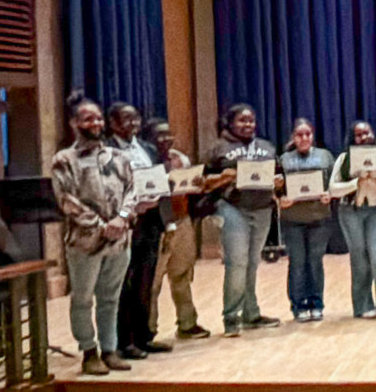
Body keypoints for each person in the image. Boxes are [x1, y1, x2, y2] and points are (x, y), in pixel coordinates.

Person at [54, 92, 138, 375]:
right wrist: (104, 226)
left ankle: (110, 349)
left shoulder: (119, 156)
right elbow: (67, 200)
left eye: (98, 117)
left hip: (120, 239)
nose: (95, 122)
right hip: (85, 242)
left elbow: (132, 190)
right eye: (88, 118)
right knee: (82, 298)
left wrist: (123, 218)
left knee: (110, 298)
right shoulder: (64, 159)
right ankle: (89, 351)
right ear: (74, 123)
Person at [202, 103, 283, 337]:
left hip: (262, 208)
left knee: (252, 263)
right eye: (242, 121)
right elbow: (202, 181)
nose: (248, 125)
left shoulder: (266, 146)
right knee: (237, 263)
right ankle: (231, 317)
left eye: (251, 121)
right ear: (230, 123)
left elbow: (278, 174)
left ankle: (251, 313)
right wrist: (225, 177)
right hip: (232, 208)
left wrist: (279, 182)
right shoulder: (219, 148)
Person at [103, 103, 170, 359]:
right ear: (113, 123)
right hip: (127, 222)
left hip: (151, 221)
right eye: (126, 119)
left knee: (145, 281)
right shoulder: (106, 151)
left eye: (136, 119)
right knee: (125, 284)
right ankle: (124, 341)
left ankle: (144, 337)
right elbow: (106, 188)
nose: (132, 124)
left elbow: (157, 178)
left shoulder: (149, 148)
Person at [141, 119, 209, 340]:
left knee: (181, 274)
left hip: (181, 221)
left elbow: (188, 187)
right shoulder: (143, 160)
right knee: (152, 281)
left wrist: (197, 184)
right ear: (147, 137)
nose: (166, 139)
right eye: (159, 135)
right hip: (156, 225)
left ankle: (187, 323)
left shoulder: (180, 159)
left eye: (168, 134)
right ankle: (148, 330)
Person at [277, 119, 336, 322]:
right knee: (298, 263)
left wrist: (330, 194)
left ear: (312, 136)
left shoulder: (325, 156)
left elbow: (334, 184)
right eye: (300, 134)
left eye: (308, 134)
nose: (304, 138)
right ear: (293, 137)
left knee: (315, 262)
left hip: (319, 218)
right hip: (292, 220)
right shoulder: (283, 159)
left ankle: (316, 303)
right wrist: (280, 200)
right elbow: (276, 189)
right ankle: (298, 305)